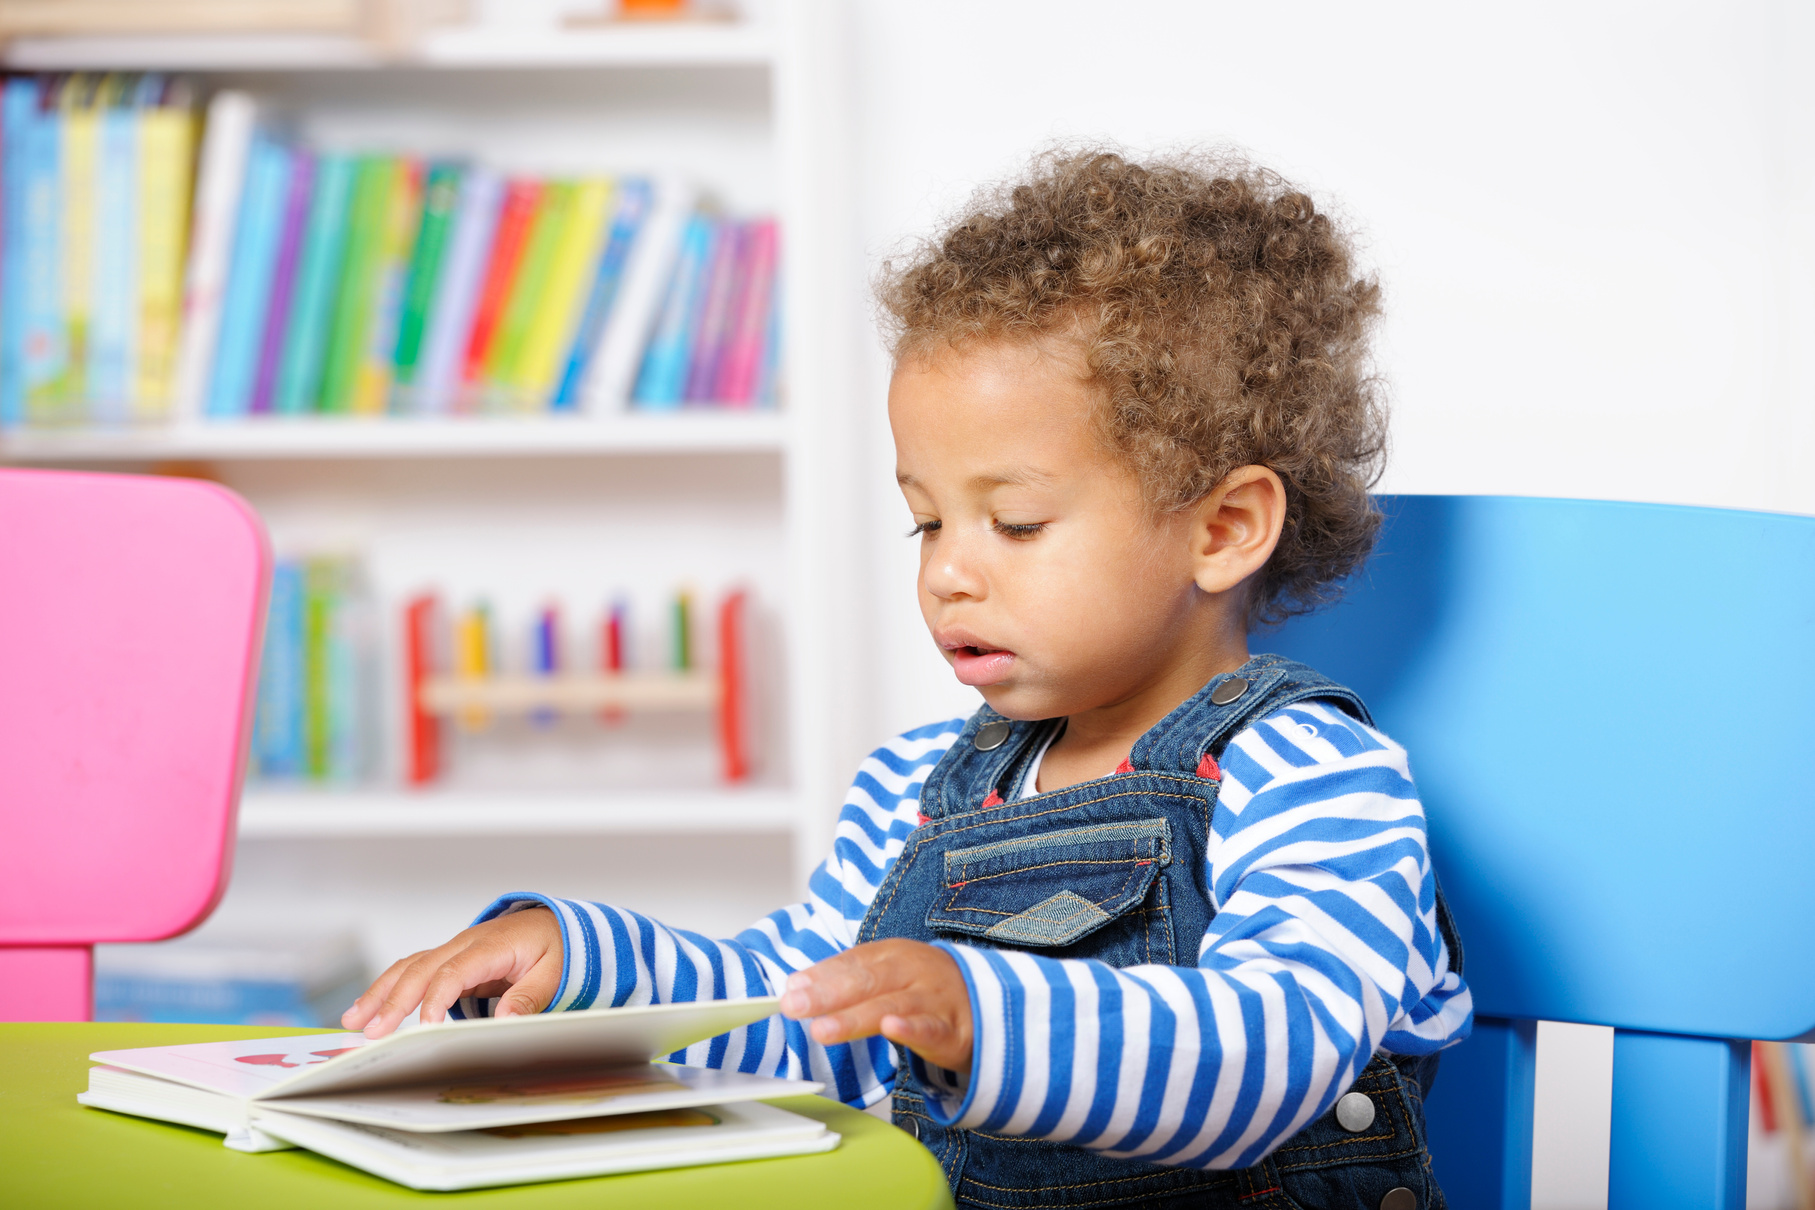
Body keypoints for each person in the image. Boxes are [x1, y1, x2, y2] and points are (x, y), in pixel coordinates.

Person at [344, 149, 1472, 1210]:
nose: (947, 573)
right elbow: (804, 1017)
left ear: (1223, 528)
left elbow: (1267, 1052)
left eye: (1016, 522)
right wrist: (584, 962)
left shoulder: (1313, 773)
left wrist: (976, 1010)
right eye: (925, 522)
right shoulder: (915, 790)